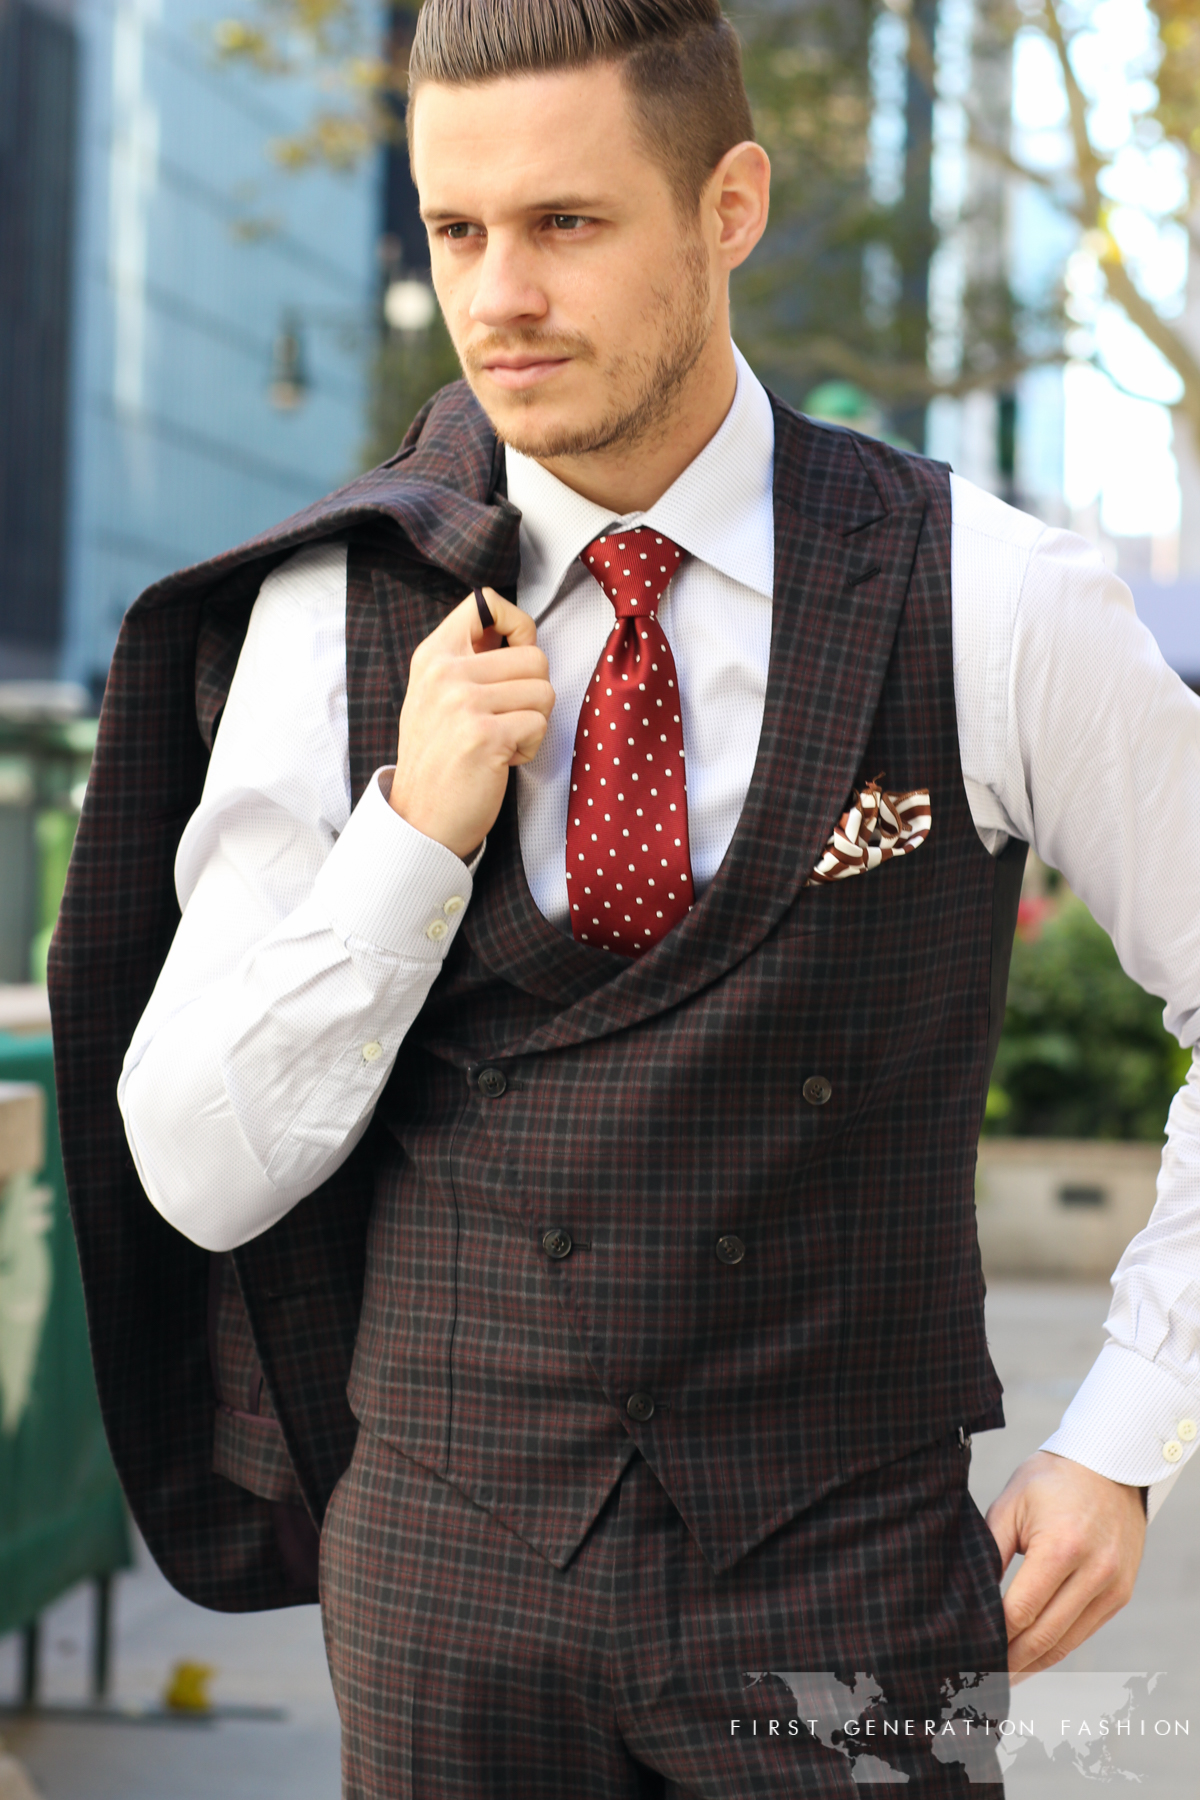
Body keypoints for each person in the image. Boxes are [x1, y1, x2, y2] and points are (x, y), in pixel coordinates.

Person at [49, 0, 1200, 1793]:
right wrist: (409, 839)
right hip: (443, 1595)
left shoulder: (995, 596)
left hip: (851, 1588)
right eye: (456, 230)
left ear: (730, 206)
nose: (498, 296)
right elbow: (195, 1171)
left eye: (566, 223)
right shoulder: (327, 615)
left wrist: (1129, 1431)